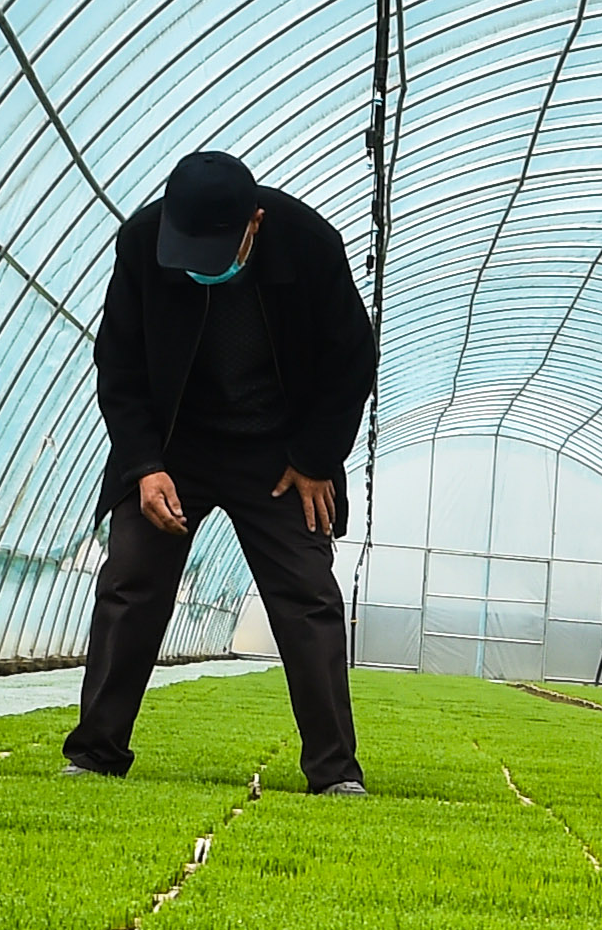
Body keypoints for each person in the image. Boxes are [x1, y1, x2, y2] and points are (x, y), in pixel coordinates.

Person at [66, 148, 379, 792]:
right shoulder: (142, 243)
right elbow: (119, 366)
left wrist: (316, 459)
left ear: (254, 224)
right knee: (131, 580)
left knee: (306, 595)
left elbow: (351, 361)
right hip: (175, 444)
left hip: (280, 455)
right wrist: (146, 466)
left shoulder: (311, 243)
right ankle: (94, 753)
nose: (197, 268)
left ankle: (334, 771)